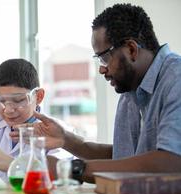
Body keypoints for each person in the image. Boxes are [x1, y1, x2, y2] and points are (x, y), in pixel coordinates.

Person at [11, 3, 181, 183]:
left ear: (131, 49)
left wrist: (71, 169)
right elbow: (122, 159)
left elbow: (172, 162)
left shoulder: (176, 79)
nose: (102, 69)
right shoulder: (130, 91)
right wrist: (67, 139)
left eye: (105, 58)